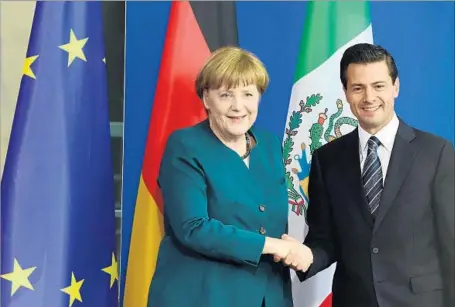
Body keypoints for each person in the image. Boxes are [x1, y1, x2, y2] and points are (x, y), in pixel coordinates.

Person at [280, 43, 454, 307]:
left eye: (379, 86)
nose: (369, 97)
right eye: (358, 88)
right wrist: (306, 256)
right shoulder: (326, 159)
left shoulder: (436, 152)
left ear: (396, 86)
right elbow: (325, 238)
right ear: (346, 93)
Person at [147, 46, 309, 307]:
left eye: (248, 94)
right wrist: (274, 246)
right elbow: (193, 228)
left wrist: (289, 247)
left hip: (269, 295)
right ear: (206, 98)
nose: (238, 106)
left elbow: (270, 220)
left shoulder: (268, 145)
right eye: (226, 95)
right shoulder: (185, 145)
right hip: (203, 296)